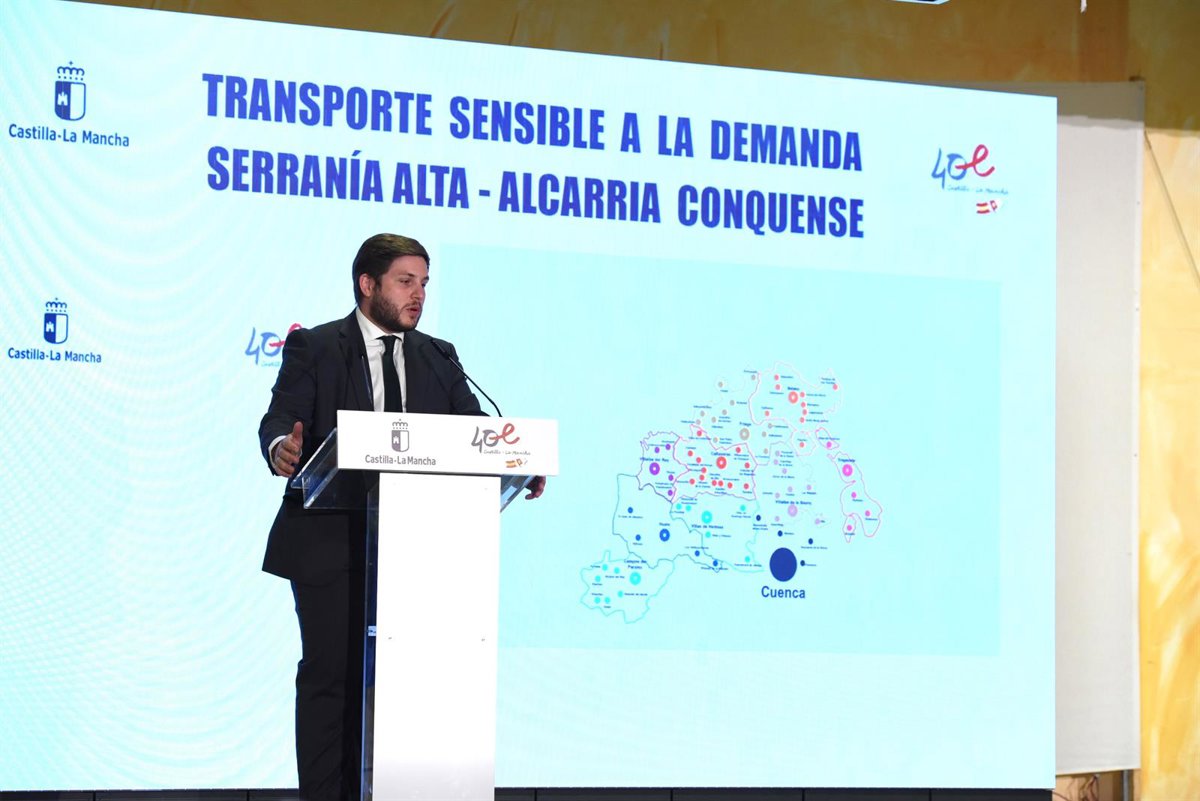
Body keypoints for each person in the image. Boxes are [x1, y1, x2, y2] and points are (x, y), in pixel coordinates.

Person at [258, 233, 545, 801]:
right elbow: (279, 420)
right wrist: (280, 449)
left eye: (425, 284)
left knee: (414, 686)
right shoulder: (316, 346)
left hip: (416, 550)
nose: (419, 296)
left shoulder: (438, 355)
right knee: (332, 680)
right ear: (368, 285)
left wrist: (518, 462)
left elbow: (475, 433)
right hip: (330, 544)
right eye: (406, 282)